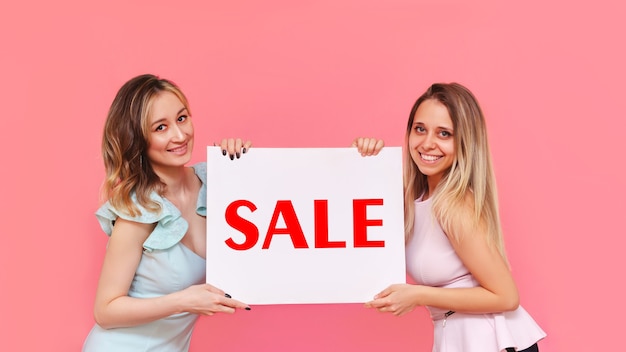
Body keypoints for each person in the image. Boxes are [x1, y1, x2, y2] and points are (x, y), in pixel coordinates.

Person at [83, 74, 383, 351]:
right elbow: (106, 311)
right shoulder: (139, 210)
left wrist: (357, 162)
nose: (179, 134)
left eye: (182, 118)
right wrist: (184, 301)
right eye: (161, 127)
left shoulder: (219, 184)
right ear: (137, 138)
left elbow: (299, 202)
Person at [364, 83, 546, 351]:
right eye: (420, 129)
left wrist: (417, 295)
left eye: (444, 133)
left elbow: (507, 297)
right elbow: (359, 215)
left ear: (464, 142)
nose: (427, 143)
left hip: (491, 341)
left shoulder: (455, 205)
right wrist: (364, 160)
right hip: (460, 336)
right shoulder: (418, 200)